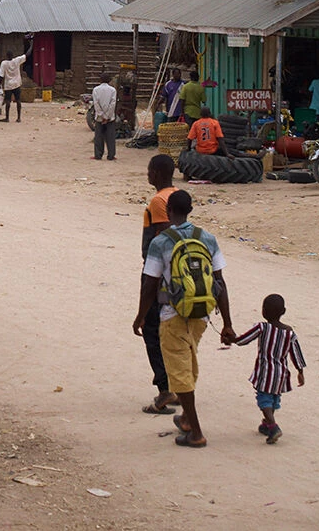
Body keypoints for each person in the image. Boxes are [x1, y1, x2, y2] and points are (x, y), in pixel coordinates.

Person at [133, 189, 235, 448]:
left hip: (172, 314)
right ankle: (187, 419)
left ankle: (196, 432)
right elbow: (220, 282)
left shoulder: (161, 242)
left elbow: (150, 284)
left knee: (179, 370)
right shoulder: (208, 238)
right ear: (190, 209)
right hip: (201, 315)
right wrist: (227, 323)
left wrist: (140, 316)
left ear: (168, 212)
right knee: (187, 364)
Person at [230, 294, 306, 444]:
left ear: (263, 311)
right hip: (281, 374)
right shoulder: (289, 332)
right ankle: (266, 423)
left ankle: (273, 426)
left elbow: (244, 340)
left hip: (265, 373)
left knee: (264, 399)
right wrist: (300, 372)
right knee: (274, 399)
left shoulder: (262, 327)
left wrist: (232, 339)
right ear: (283, 311)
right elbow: (296, 353)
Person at [139, 155, 180, 414]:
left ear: (156, 172)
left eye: (148, 171)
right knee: (172, 332)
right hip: (177, 275)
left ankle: (165, 389)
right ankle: (177, 385)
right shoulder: (177, 194)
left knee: (151, 330)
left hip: (158, 273)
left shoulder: (157, 201)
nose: (147, 175)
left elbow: (163, 234)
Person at [91, 71, 118, 161]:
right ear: (109, 80)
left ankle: (98, 155)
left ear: (100, 80)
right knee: (110, 137)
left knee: (98, 137)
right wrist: (107, 116)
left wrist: (101, 115)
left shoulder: (96, 90)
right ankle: (111, 155)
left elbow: (96, 104)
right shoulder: (113, 90)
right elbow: (112, 104)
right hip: (110, 117)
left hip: (99, 118)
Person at [0, 49, 27, 122]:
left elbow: (1, 75)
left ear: (6, 56)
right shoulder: (17, 60)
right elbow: (27, 54)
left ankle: (7, 118)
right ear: (12, 55)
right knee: (18, 100)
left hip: (8, 85)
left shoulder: (4, 63)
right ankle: (18, 118)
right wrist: (31, 46)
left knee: (7, 100)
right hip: (17, 83)